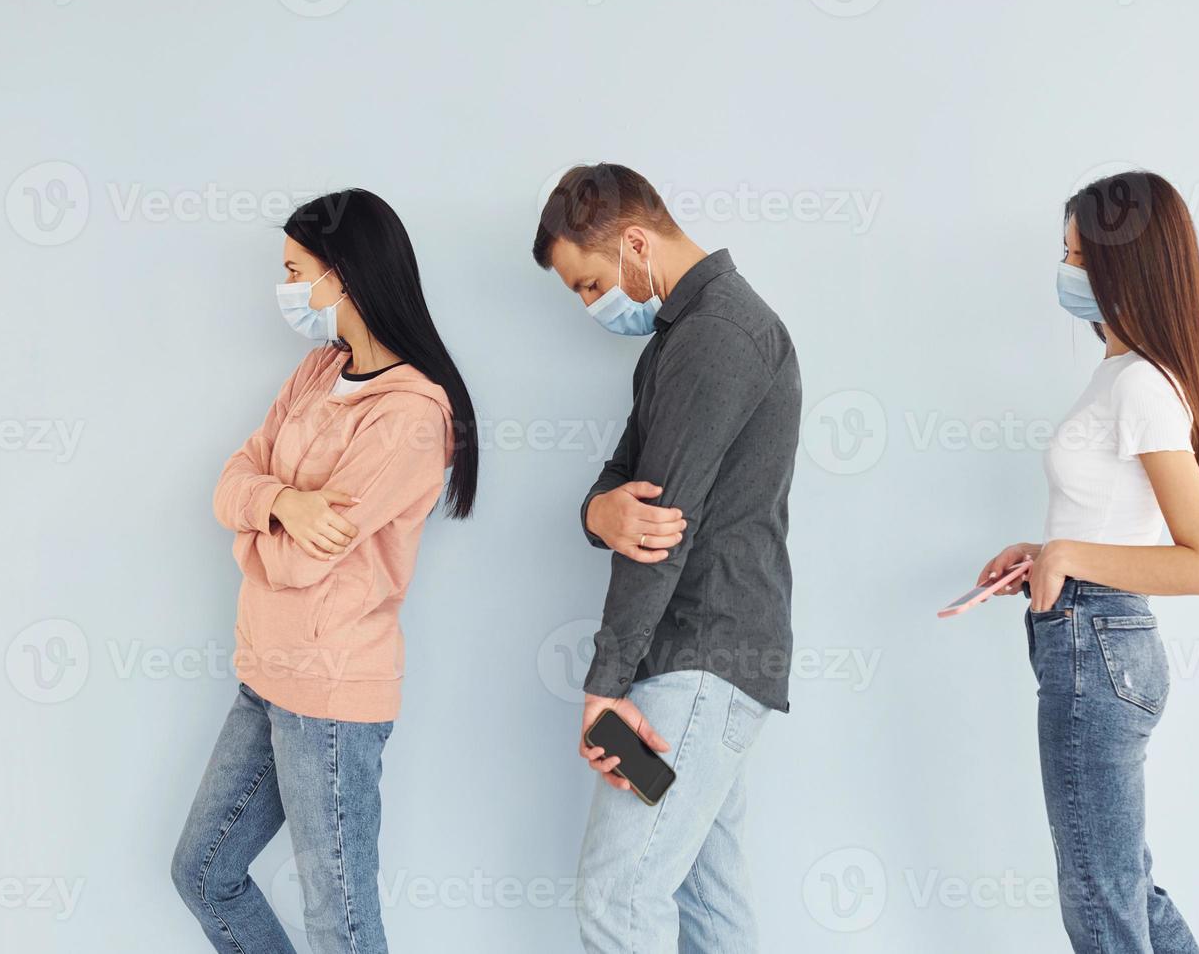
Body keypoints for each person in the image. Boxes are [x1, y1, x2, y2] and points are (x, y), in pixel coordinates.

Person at [171, 188, 478, 954]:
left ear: (340, 275)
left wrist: (256, 531)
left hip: (334, 699)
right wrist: (280, 499)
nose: (285, 289)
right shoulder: (317, 371)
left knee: (336, 919)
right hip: (266, 676)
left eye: (293, 270)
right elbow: (230, 481)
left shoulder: (411, 414)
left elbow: (303, 560)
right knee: (203, 872)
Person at [532, 163, 802, 953]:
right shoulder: (680, 339)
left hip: (697, 665)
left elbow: (657, 528)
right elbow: (621, 486)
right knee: (708, 903)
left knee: (619, 900)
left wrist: (604, 687)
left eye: (588, 284)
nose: (590, 307)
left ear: (636, 243)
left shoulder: (717, 337)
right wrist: (594, 510)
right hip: (703, 667)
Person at [979, 171, 1199, 954]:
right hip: (1095, 640)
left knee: (1099, 896)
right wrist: (1046, 550)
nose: (1067, 273)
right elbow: (1110, 519)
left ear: (1129, 267)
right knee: (1122, 889)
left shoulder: (1144, 387)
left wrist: (1072, 555)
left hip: (1100, 646)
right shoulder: (1120, 375)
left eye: (1079, 258)